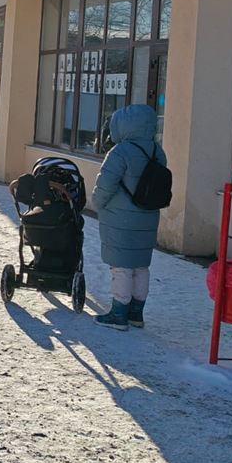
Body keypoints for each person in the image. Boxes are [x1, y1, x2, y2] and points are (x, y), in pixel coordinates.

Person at [90, 103, 166, 330]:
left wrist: (97, 203)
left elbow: (105, 184)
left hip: (120, 218)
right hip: (148, 216)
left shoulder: (120, 152)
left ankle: (118, 313)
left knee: (121, 265)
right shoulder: (157, 151)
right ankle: (136, 313)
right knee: (141, 266)